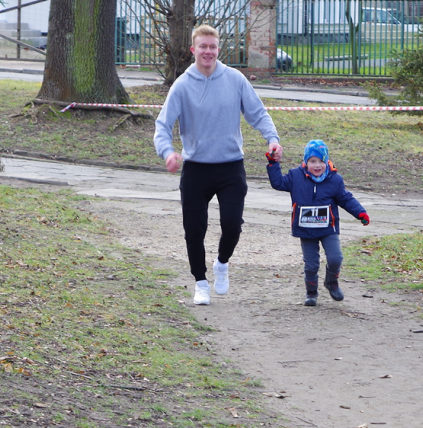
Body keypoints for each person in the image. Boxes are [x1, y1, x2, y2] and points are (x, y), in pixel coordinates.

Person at [154, 24, 283, 306]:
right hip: (196, 169)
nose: (208, 52)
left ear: (218, 49)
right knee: (194, 229)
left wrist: (272, 139)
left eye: (213, 47)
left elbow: (258, 113)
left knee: (232, 225)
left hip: (230, 167)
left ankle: (222, 263)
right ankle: (200, 283)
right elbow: (162, 126)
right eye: (203, 47)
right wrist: (168, 153)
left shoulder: (235, 80)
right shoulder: (182, 85)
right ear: (193, 50)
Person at [266, 140, 369, 306]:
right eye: (313, 161)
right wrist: (273, 163)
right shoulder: (295, 176)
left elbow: (345, 199)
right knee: (311, 264)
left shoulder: (334, 179)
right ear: (306, 162)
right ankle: (311, 292)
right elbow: (277, 183)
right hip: (306, 229)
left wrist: (360, 213)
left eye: (321, 161)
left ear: (327, 161)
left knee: (336, 258)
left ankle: (331, 281)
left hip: (328, 228)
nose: (317, 165)